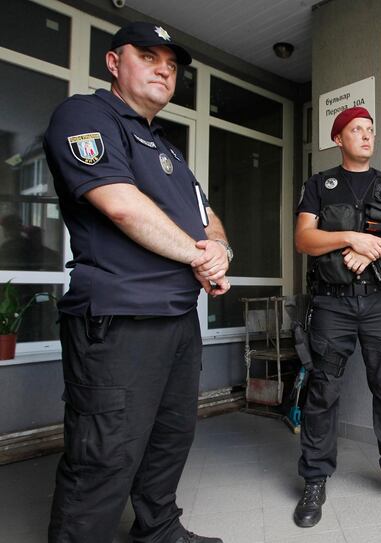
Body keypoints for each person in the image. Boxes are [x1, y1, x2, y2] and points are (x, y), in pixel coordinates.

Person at [43, 22, 232, 543]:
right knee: (104, 456)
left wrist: (220, 250)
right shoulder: (87, 116)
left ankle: (158, 530)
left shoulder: (165, 148)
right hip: (119, 321)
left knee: (169, 439)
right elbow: (122, 207)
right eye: (148, 57)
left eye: (171, 66)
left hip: (176, 321)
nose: (163, 70)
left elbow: (208, 217)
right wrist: (201, 257)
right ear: (113, 62)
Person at [293, 107, 381, 527]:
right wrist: (350, 236)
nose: (367, 136)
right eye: (357, 130)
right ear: (339, 138)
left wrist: (373, 247)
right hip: (332, 303)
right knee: (323, 391)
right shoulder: (319, 186)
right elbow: (304, 239)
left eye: (371, 130)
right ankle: (315, 479)